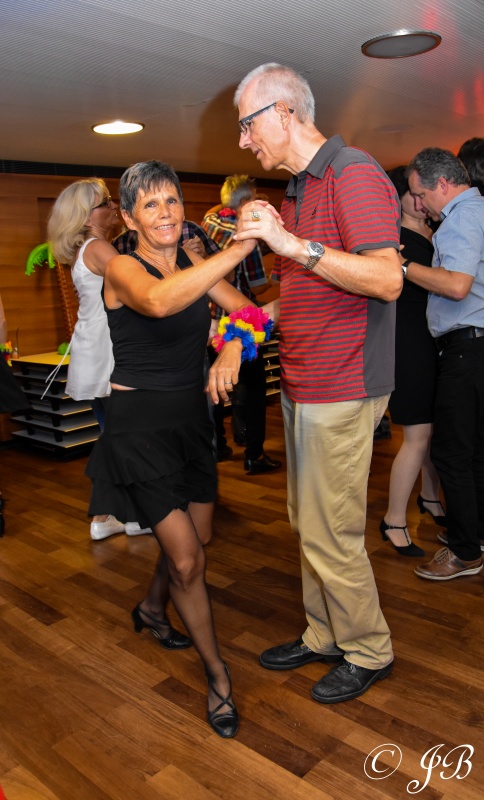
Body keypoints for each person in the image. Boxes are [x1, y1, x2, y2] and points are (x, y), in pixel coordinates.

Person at [233, 63, 402, 703]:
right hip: (302, 381)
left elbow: (387, 278)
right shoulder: (298, 190)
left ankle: (369, 648)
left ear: (283, 113)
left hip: (344, 381)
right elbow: (301, 292)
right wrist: (244, 330)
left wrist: (290, 245)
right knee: (307, 523)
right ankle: (324, 633)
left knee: (332, 532)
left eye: (247, 125)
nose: (244, 141)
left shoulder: (352, 173)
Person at [85, 160, 264, 738]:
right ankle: (218, 677)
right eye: (151, 204)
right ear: (130, 217)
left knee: (198, 540)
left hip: (193, 424)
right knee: (188, 560)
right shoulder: (121, 267)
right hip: (139, 431)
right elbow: (160, 303)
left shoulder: (191, 262)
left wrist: (233, 347)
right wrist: (237, 250)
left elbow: (251, 313)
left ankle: (150, 608)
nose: (165, 213)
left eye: (172, 200)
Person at [47, 178, 149, 541]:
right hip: (108, 353)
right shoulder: (98, 248)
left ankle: (116, 515)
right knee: (124, 437)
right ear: (89, 216)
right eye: (106, 203)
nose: (114, 206)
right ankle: (114, 515)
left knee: (117, 436)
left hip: (98, 351)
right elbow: (142, 283)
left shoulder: (92, 248)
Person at [403, 147, 484, 580]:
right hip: (475, 347)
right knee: (474, 453)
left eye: (420, 194)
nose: (420, 204)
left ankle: (465, 552)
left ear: (443, 184)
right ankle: (474, 534)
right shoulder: (478, 211)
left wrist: (403, 265)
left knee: (451, 453)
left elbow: (456, 286)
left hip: (467, 350)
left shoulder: (461, 217)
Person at [380, 166, 444, 558]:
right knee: (417, 435)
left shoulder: (433, 230)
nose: (421, 201)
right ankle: (393, 520)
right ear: (398, 197)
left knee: (432, 430)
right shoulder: (393, 239)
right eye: (413, 194)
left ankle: (430, 496)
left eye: (423, 194)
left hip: (433, 339)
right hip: (408, 342)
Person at [202, 174, 281, 474]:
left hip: (208, 322)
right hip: (239, 322)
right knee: (251, 390)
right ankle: (253, 454)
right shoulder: (246, 235)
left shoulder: (208, 223)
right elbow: (258, 286)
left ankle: (218, 447)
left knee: (214, 389)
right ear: (247, 201)